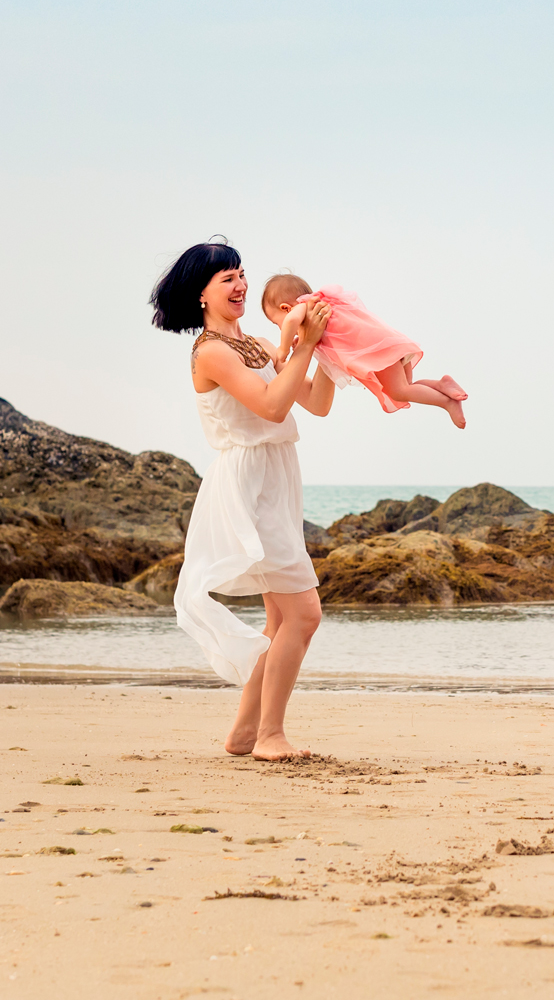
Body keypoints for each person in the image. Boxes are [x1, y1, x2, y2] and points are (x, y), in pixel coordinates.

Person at [148, 240, 337, 761]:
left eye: (241, 274)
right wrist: (303, 348)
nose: (241, 285)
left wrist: (326, 349)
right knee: (304, 615)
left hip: (277, 480)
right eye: (227, 278)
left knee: (281, 621)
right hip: (245, 486)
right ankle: (270, 736)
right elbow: (272, 407)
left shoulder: (258, 343)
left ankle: (244, 733)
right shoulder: (210, 352)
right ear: (201, 294)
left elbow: (316, 403)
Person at [258, 274, 468, 428]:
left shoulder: (303, 307)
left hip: (377, 351)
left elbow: (291, 321)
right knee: (407, 387)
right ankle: (440, 385)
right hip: (385, 343)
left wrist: (283, 349)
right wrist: (303, 341)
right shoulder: (320, 308)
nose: (281, 328)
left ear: (286, 308)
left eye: (276, 323)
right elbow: (320, 336)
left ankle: (446, 402)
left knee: (398, 391)